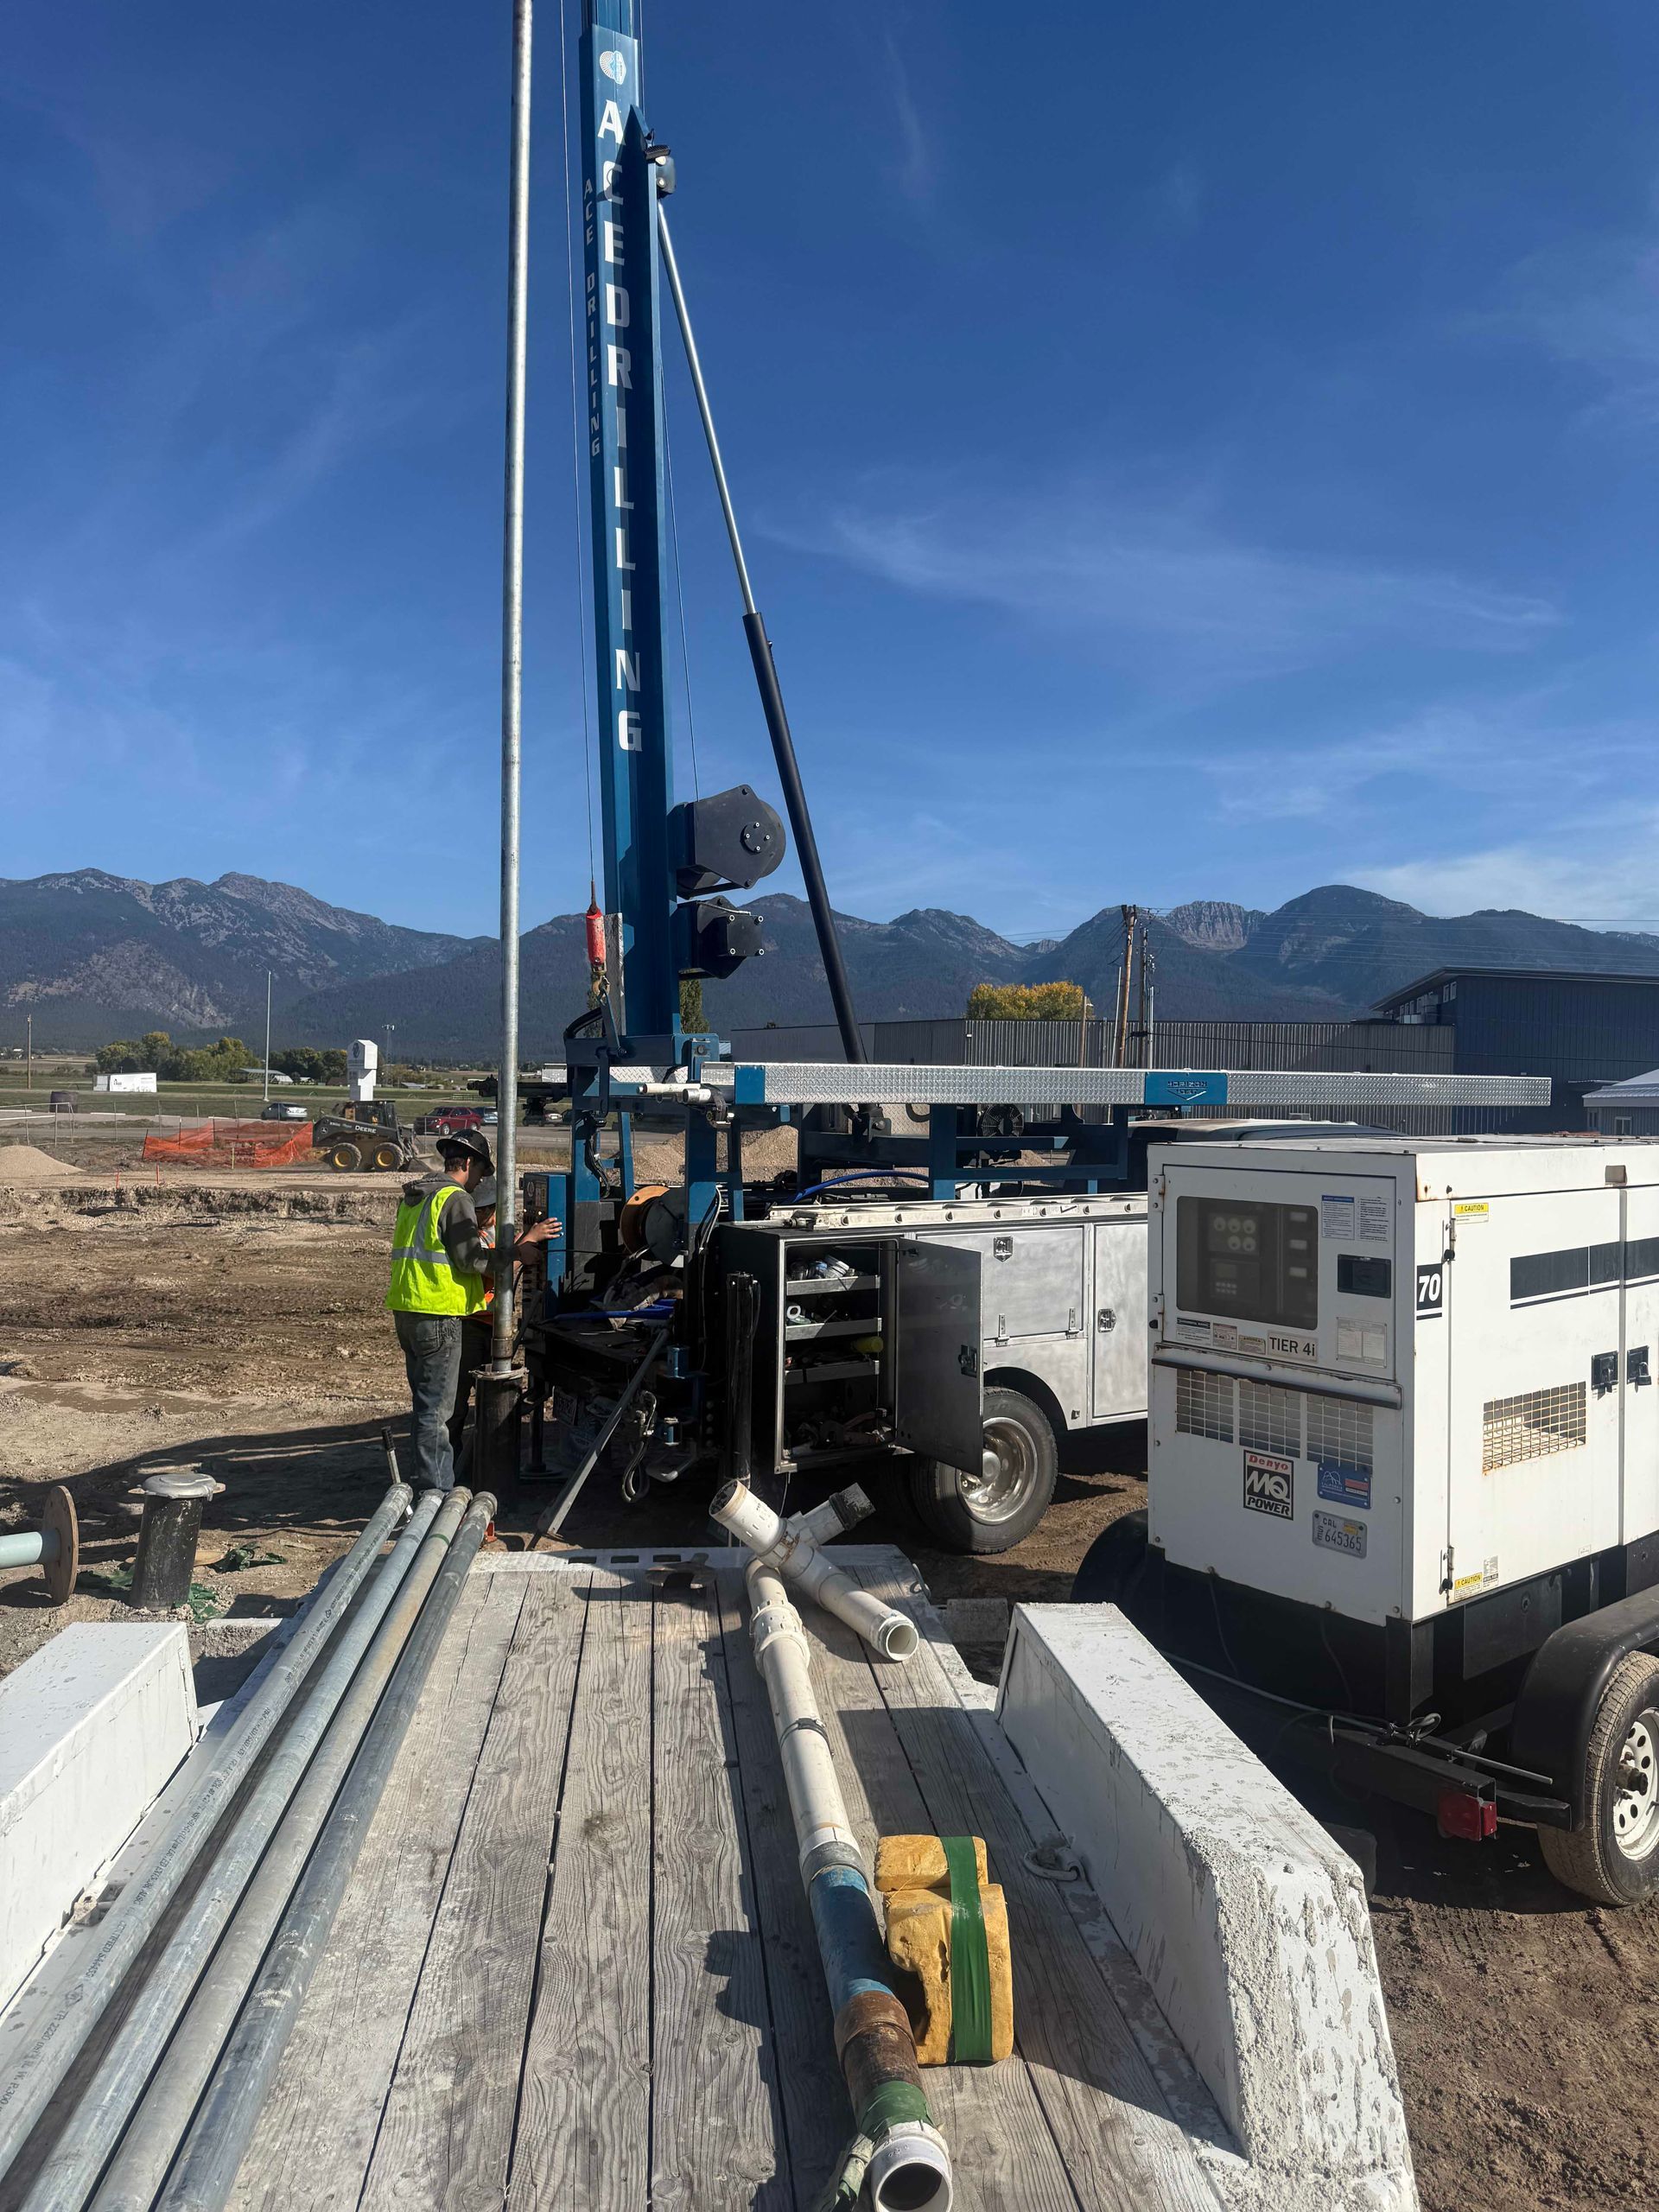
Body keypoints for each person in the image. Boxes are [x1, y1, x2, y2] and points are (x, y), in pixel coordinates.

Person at [385, 1131, 558, 1491]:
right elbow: (471, 1259)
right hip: (439, 1315)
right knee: (439, 1413)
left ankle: (427, 1487)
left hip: (407, 1312)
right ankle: (437, 1498)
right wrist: (517, 1252)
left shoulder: (416, 1197)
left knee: (425, 1408)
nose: (480, 1182)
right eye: (480, 1173)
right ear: (467, 1164)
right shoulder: (454, 1198)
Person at [447, 1175, 498, 1471]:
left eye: (482, 1211)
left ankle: (484, 1462)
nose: (476, 1216)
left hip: (491, 1324)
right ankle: (453, 1465)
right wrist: (522, 1247)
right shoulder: (467, 1234)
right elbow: (490, 1268)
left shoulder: (497, 1230)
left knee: (492, 1400)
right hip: (467, 1323)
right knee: (456, 1401)